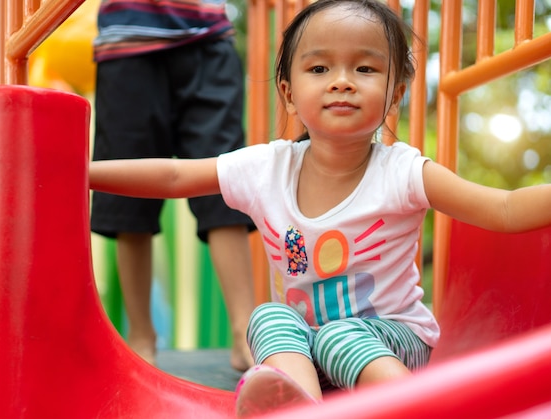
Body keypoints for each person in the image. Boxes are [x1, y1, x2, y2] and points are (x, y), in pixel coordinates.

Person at [88, 0, 551, 415]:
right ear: (289, 93)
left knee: (338, 333)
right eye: (320, 69)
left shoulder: (405, 172)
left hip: (391, 343)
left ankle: (410, 406)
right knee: (267, 315)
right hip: (308, 350)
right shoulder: (268, 167)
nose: (342, 82)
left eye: (365, 69)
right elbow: (175, 176)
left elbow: (505, 209)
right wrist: (82, 172)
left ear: (396, 93)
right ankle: (298, 403)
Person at [90, 0, 256, 371]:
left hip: (208, 36)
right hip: (128, 42)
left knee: (224, 181)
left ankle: (244, 330)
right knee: (127, 191)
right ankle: (141, 334)